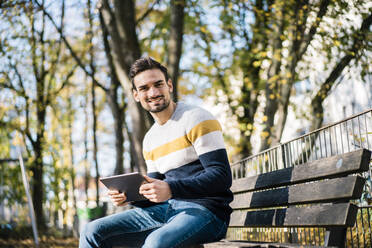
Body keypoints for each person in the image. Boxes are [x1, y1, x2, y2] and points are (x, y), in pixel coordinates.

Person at [79, 57, 233, 248]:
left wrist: (171, 189)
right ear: (136, 95)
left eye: (158, 84)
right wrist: (130, 197)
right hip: (166, 210)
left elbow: (221, 176)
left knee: (156, 242)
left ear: (169, 85)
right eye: (144, 88)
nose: (153, 92)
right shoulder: (150, 139)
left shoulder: (197, 118)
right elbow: (153, 194)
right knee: (91, 231)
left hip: (207, 211)